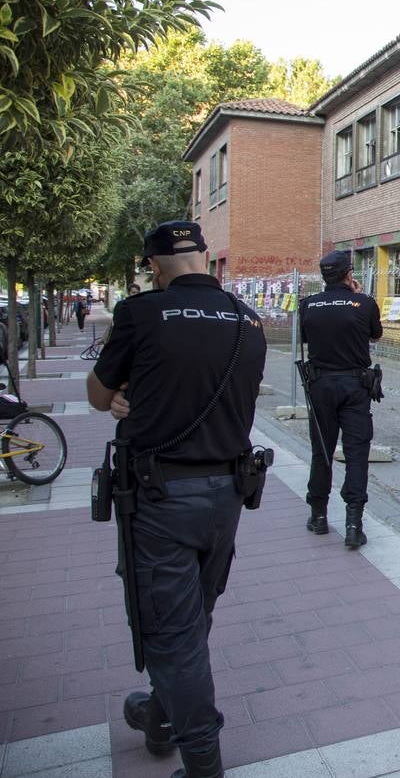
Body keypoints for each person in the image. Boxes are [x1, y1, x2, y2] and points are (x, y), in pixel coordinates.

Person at [87, 220, 267, 778]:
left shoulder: (141, 313)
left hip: (161, 495)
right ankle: (161, 715)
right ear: (205, 258)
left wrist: (123, 397)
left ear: (155, 265)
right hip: (228, 495)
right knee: (192, 616)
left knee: (171, 629)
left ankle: (203, 762)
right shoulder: (249, 320)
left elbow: (98, 394)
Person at [299, 249, 383, 548]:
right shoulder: (364, 303)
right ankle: (353, 523)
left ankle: (319, 516)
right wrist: (358, 298)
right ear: (350, 274)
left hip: (321, 384)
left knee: (321, 450)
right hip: (355, 385)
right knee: (356, 453)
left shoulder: (308, 305)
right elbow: (375, 335)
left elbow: (306, 338)